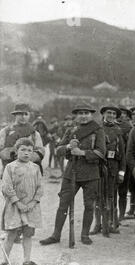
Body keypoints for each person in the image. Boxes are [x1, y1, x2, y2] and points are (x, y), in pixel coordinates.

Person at [40, 103, 106, 246]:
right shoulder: (71, 130)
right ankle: (56, 235)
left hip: (91, 173)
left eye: (86, 113)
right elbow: (58, 150)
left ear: (91, 114)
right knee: (63, 204)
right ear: (76, 115)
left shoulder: (98, 130)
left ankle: (85, 234)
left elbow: (101, 153)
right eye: (80, 113)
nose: (83, 116)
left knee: (89, 205)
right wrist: (69, 146)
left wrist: (82, 153)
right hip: (71, 172)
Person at [1, 138, 43, 265]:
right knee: (11, 234)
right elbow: (6, 187)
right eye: (23, 150)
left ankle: (27, 260)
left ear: (33, 153)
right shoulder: (10, 167)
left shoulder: (36, 168)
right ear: (16, 151)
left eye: (29, 150)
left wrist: (32, 202)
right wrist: (17, 202)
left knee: (28, 234)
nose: (26, 153)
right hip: (14, 207)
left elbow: (40, 188)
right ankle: (3, 261)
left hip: (31, 208)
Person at [90, 106, 125, 236]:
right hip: (98, 167)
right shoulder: (96, 129)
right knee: (98, 197)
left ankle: (110, 223)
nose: (110, 115)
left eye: (113, 113)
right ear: (103, 114)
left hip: (113, 169)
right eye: (108, 113)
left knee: (111, 197)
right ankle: (97, 224)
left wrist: (121, 173)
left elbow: (123, 154)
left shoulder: (118, 131)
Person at [0, 103, 45, 178]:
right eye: (20, 114)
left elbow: (41, 152)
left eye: (26, 114)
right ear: (15, 115)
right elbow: (1, 150)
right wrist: (11, 153)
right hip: (10, 173)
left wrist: (25, 157)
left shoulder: (34, 133)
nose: (23, 117)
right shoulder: (5, 131)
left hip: (30, 174)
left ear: (29, 115)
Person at [116, 105, 134, 221]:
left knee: (123, 191)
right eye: (120, 113)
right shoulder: (106, 126)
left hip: (124, 162)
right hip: (111, 163)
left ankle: (121, 215)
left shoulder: (129, 128)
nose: (121, 115)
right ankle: (111, 215)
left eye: (124, 113)